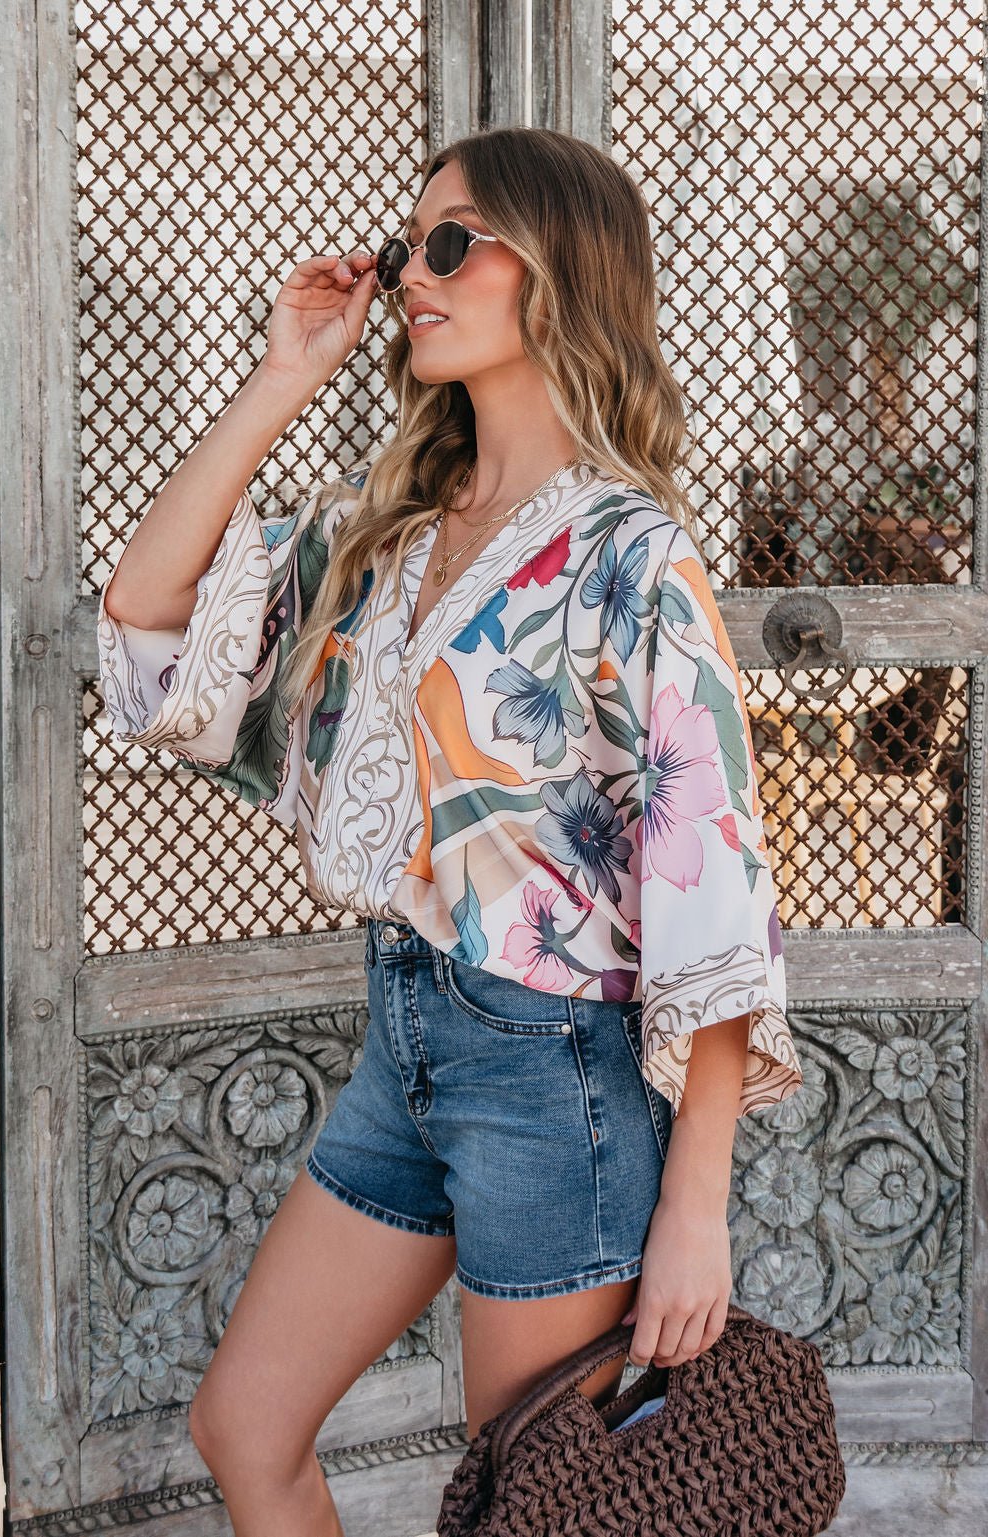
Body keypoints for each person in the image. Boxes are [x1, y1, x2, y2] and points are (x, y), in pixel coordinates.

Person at [97, 125, 803, 1537]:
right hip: (407, 1045)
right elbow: (148, 619)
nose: (410, 274)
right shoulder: (393, 539)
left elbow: (712, 886)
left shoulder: (630, 553)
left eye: (450, 243)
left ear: (557, 269)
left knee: (531, 1505)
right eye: (405, 245)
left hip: (555, 1073)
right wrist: (284, 378)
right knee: (246, 1428)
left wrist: (697, 1207)